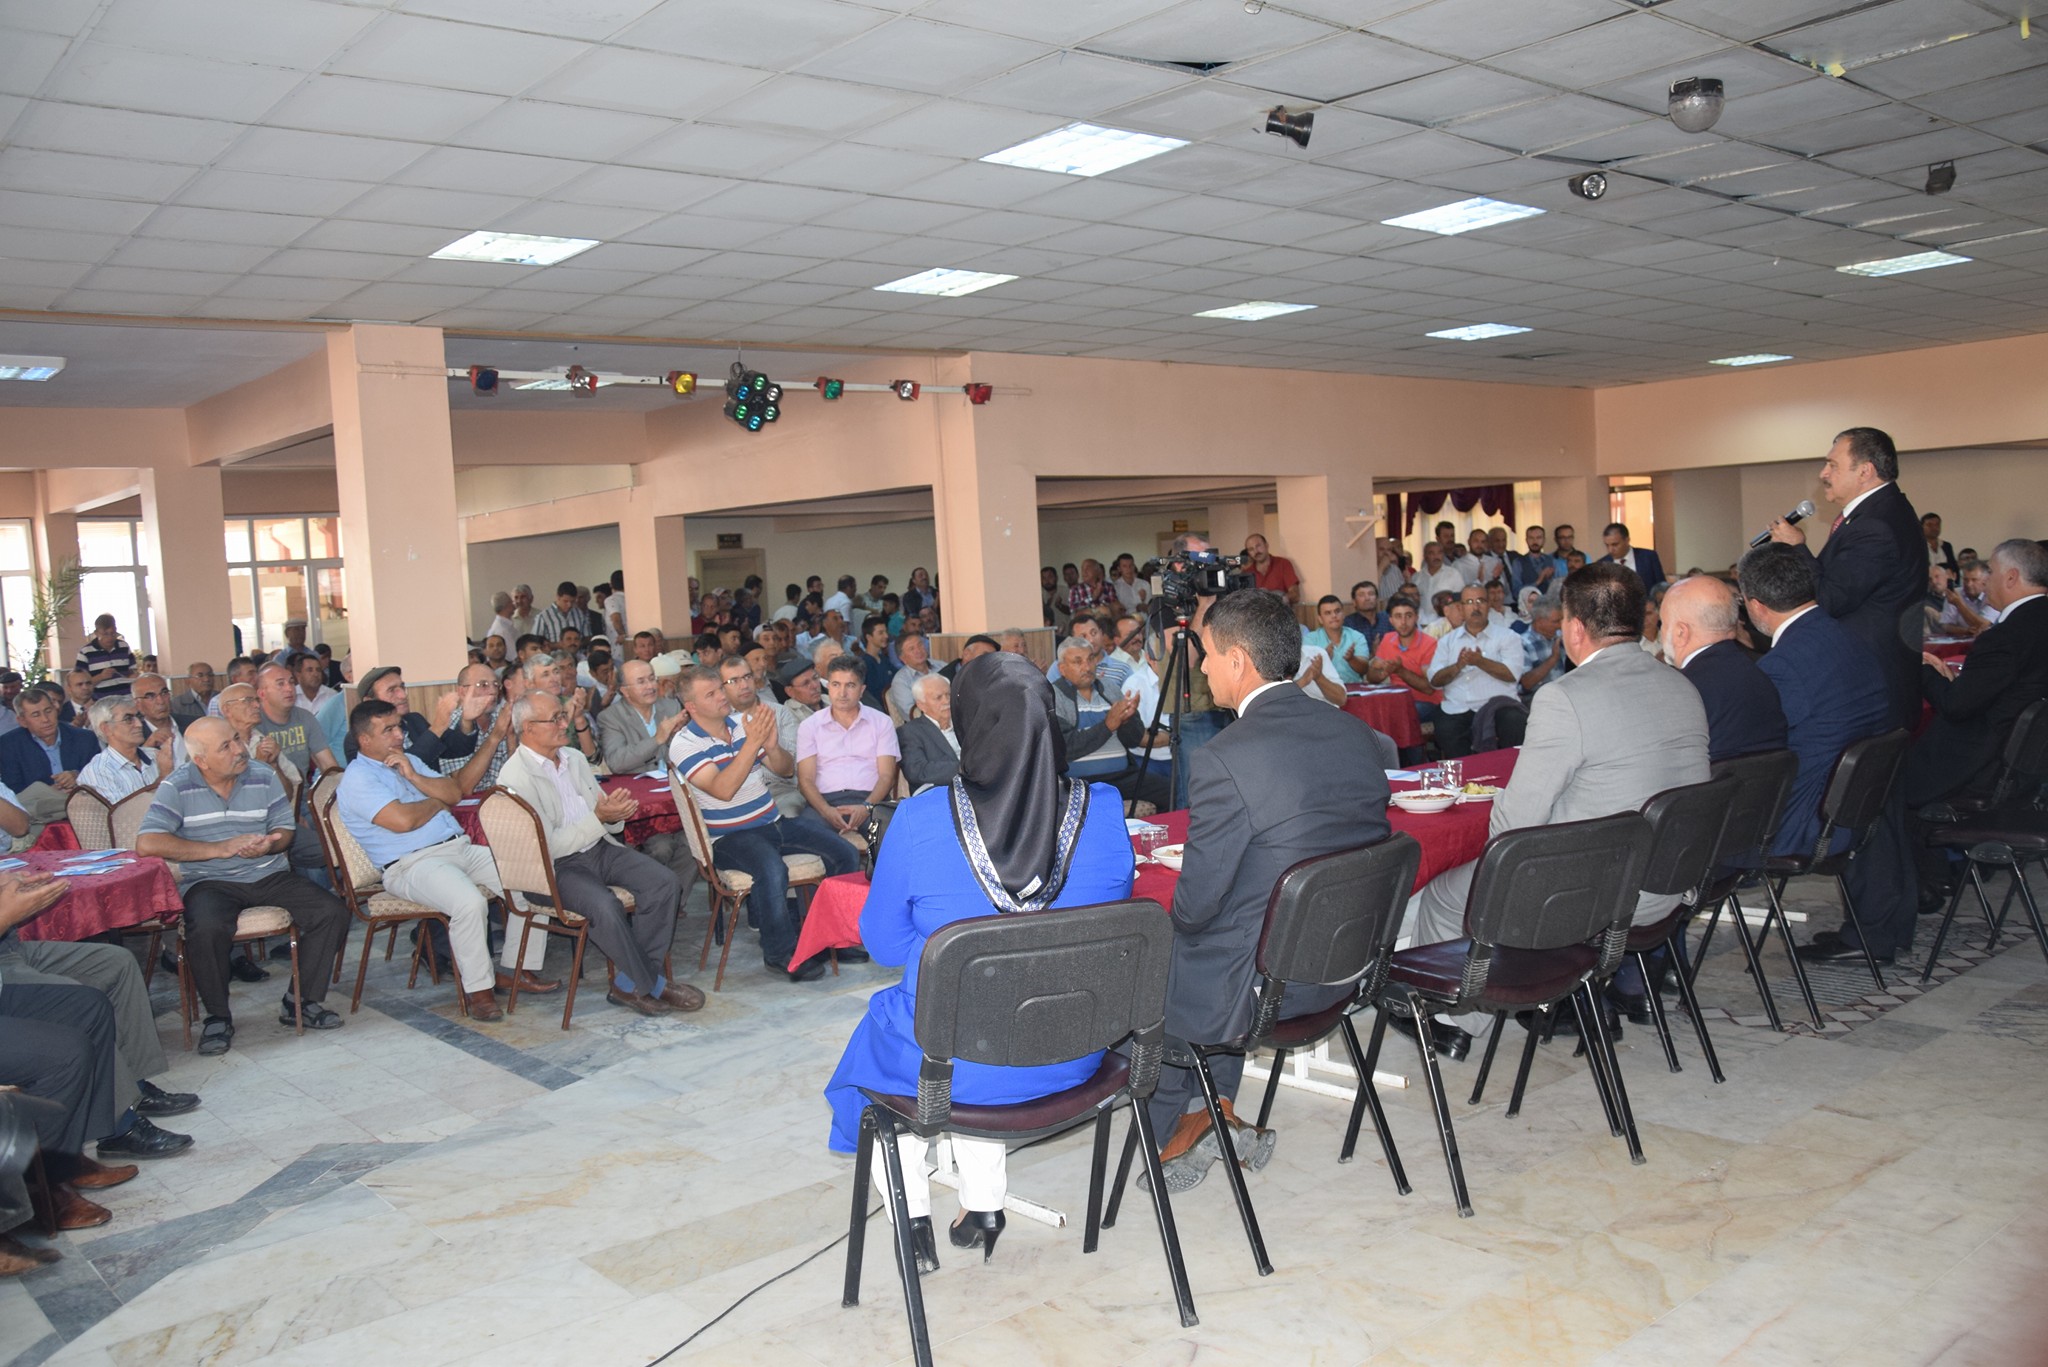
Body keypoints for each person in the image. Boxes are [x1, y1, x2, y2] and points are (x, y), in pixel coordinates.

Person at [823, 651, 1136, 1264]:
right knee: (990, 1006)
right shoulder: (1103, 808)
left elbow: (884, 945)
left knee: (915, 1040)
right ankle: (984, 1203)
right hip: (1075, 1050)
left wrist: (946, 950)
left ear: (968, 725)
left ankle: (913, 1222)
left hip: (958, 1063)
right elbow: (1103, 922)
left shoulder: (919, 818)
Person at [1403, 565, 1710, 1056]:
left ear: (1574, 629)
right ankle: (1535, 995)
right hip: (1668, 886)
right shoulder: (1683, 685)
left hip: (1593, 898)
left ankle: (1453, 1022)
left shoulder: (1566, 696)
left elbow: (1512, 828)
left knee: (1444, 893)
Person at [1146, 589, 1393, 1190]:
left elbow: (1196, 908)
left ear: (1237, 661)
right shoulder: (1357, 735)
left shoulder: (1225, 757)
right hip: (1344, 967)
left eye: (1207, 654)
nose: (1202, 667)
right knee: (1221, 941)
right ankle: (1214, 1111)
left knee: (1156, 954)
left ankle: (1168, 1137)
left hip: (1265, 986)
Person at [1769, 425, 1924, 962]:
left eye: (1833, 464)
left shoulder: (1876, 524)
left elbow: (1833, 598)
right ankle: (1883, 928)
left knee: (1863, 813)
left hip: (1867, 689)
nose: (1823, 473)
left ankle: (1872, 935)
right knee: (1880, 815)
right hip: (1879, 681)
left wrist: (1798, 551)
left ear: (1866, 470)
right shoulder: (1883, 513)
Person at [336, 698, 570, 1022]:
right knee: (469, 903)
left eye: (398, 727)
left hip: (459, 848)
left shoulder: (408, 760)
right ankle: (480, 992)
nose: (399, 735)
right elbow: (404, 821)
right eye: (388, 730)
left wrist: (415, 778)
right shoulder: (358, 779)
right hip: (411, 864)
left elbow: (454, 792)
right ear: (364, 740)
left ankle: (518, 969)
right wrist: (436, 802)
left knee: (531, 879)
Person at [135, 717, 351, 1055]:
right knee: (206, 926)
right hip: (210, 880)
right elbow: (147, 843)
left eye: (237, 739)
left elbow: (285, 831)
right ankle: (218, 1017)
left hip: (268, 872)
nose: (239, 749)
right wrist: (217, 849)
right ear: (201, 760)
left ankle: (300, 1001)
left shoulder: (262, 775)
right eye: (226, 746)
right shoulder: (177, 785)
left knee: (332, 911)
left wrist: (270, 844)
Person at [1736, 545, 1895, 964]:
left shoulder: (1784, 666)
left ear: (1755, 605)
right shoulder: (1852, 639)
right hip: (1857, 812)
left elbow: (1748, 750)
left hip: (1807, 825)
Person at [496, 692, 685, 1016]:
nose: (564, 724)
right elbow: (546, 846)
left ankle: (630, 984)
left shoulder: (573, 758)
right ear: (528, 728)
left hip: (598, 847)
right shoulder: (515, 777)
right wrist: (598, 818)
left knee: (664, 883)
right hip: (553, 868)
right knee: (605, 906)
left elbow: (599, 810)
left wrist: (612, 814)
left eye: (563, 716)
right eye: (555, 719)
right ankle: (652, 985)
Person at [671, 666, 859, 982]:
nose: (722, 696)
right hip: (728, 837)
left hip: (772, 821)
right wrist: (752, 743)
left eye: (720, 689)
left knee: (845, 852)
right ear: (691, 706)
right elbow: (723, 789)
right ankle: (780, 953)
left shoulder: (741, 725)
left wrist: (771, 746)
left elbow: (785, 770)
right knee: (772, 870)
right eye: (711, 694)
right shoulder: (684, 743)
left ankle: (836, 938)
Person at [1908, 538, 2048, 901]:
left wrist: (1924, 670)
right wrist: (1957, 684)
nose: (1986, 584)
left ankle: (1926, 885)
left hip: (1982, 766)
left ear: (2012, 577)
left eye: (1992, 574)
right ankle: (1943, 874)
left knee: (1883, 783)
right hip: (2024, 767)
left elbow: (1956, 707)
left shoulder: (2007, 635)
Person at [1662, 575, 1788, 761]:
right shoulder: (1762, 676)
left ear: (1681, 632)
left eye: (1664, 624)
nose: (1662, 631)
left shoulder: (1683, 693)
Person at [1051, 638, 1171, 809]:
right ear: (1062, 669)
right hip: (1080, 783)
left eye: (1090, 659)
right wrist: (1107, 726)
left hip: (1122, 776)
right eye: (1078, 662)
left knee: (1171, 791)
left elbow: (1134, 740)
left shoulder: (1110, 688)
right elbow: (1064, 748)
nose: (1087, 667)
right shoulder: (1054, 697)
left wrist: (1128, 720)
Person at [798, 656, 901, 847]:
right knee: (808, 836)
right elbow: (805, 779)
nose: (842, 693)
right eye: (836, 684)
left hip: (871, 800)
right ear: (828, 686)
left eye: (850, 685)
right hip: (825, 802)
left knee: (893, 841)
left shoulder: (882, 722)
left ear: (862, 690)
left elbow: (887, 776)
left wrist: (866, 807)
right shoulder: (810, 726)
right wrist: (826, 811)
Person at [251, 663, 339, 884]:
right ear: (262, 693)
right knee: (316, 846)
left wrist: (342, 801)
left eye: (291, 682)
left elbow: (328, 766)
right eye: (280, 684)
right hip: (274, 807)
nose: (289, 688)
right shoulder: (255, 724)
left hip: (308, 799)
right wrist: (290, 813)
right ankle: (320, 895)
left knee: (341, 831)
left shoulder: (305, 718)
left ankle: (341, 891)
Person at [1427, 585, 1527, 758]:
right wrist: (1458, 666)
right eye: (1469, 602)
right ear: (1461, 608)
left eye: (1481, 601)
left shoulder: (1508, 637)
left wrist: (1480, 661)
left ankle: (1509, 771)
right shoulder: (1447, 642)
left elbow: (1512, 674)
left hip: (1499, 706)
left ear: (1488, 606)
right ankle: (1465, 774)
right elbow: (1434, 681)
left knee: (1514, 721)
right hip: (1457, 707)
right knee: (1445, 727)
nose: (1476, 607)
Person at [340, 666, 479, 771]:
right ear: (369, 701)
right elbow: (398, 770)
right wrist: (437, 727)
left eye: (402, 687)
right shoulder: (358, 739)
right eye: (392, 690)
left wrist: (467, 719)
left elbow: (457, 750)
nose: (403, 695)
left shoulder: (414, 720)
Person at [0, 689, 100, 830]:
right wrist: (47, 791)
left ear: (56, 709)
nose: (45, 719)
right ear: (22, 721)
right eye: (36, 715)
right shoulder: (8, 745)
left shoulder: (84, 738)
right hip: (38, 819)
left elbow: (100, 776)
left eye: (48, 711)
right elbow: (12, 789)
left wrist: (77, 776)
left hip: (85, 811)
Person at [596, 659, 685, 777]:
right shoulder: (611, 717)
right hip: (637, 784)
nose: (650, 686)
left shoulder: (672, 707)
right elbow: (616, 763)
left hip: (675, 780)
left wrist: (674, 736)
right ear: (625, 691)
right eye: (641, 682)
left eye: (652, 679)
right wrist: (656, 740)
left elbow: (683, 751)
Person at [77, 696, 168, 801]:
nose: (139, 724)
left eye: (139, 717)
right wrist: (164, 776)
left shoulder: (156, 755)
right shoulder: (98, 771)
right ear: (106, 729)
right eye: (128, 719)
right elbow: (125, 811)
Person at [897, 672, 960, 793]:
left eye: (949, 694)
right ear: (921, 705)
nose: (946, 701)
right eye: (938, 697)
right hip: (939, 793)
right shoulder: (910, 732)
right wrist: (964, 769)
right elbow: (917, 771)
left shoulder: (966, 723)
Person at [1305, 594, 1373, 685]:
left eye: (1337, 611)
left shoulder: (1357, 636)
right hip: (1322, 688)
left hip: (1353, 686)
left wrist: (1352, 659)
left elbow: (1364, 669)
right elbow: (1305, 672)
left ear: (1343, 614)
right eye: (1328, 613)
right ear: (1320, 619)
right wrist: (1324, 659)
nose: (1334, 616)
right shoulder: (1310, 639)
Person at [74, 615, 137, 700]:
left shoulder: (124, 647)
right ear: (96, 633)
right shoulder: (85, 652)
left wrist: (133, 676)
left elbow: (132, 670)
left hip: (126, 698)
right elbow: (80, 683)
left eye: (113, 633)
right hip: (101, 701)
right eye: (105, 634)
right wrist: (101, 676)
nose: (110, 637)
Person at [886, 630, 937, 723]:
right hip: (923, 726)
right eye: (911, 649)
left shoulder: (941, 665)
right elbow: (912, 714)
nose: (918, 651)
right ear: (902, 658)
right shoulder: (900, 681)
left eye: (920, 645)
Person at [1600, 522, 1666, 592]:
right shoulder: (1602, 565)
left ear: (1627, 540)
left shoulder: (1648, 557)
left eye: (1615, 545)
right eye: (1607, 545)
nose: (1610, 550)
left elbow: (1661, 587)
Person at [1242, 533, 1301, 604]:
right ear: (1249, 553)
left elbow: (1295, 595)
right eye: (1251, 549)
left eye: (1258, 546)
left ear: (1266, 545)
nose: (1256, 551)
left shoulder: (1283, 563)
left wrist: (1280, 599)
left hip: (1281, 609)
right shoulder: (1246, 573)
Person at [1343, 581, 1391, 652]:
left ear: (1377, 599)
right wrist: (1373, 654)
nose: (1367, 598)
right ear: (1354, 602)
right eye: (1361, 595)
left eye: (1371, 594)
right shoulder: (1348, 624)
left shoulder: (1388, 619)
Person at [171, 663, 217, 730]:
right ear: (188, 681)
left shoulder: (222, 698)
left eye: (210, 675)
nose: (206, 679)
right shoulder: (177, 704)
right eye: (200, 676)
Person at [1922, 513, 1958, 577]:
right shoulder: (1918, 547)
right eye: (1929, 525)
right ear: (1921, 527)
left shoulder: (1947, 546)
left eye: (1937, 524)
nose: (1934, 528)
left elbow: (1954, 568)